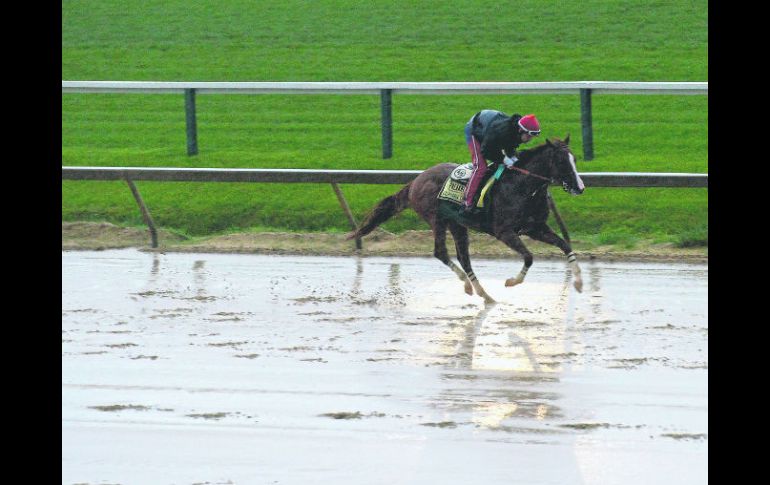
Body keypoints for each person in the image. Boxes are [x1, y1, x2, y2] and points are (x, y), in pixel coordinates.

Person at [462, 110, 541, 213]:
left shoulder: (516, 131)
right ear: (521, 130)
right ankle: (466, 201)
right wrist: (504, 159)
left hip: (490, 130)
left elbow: (509, 145)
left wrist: (513, 159)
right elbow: (486, 151)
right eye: (529, 136)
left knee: (509, 163)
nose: (530, 139)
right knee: (481, 167)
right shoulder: (501, 131)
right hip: (474, 130)